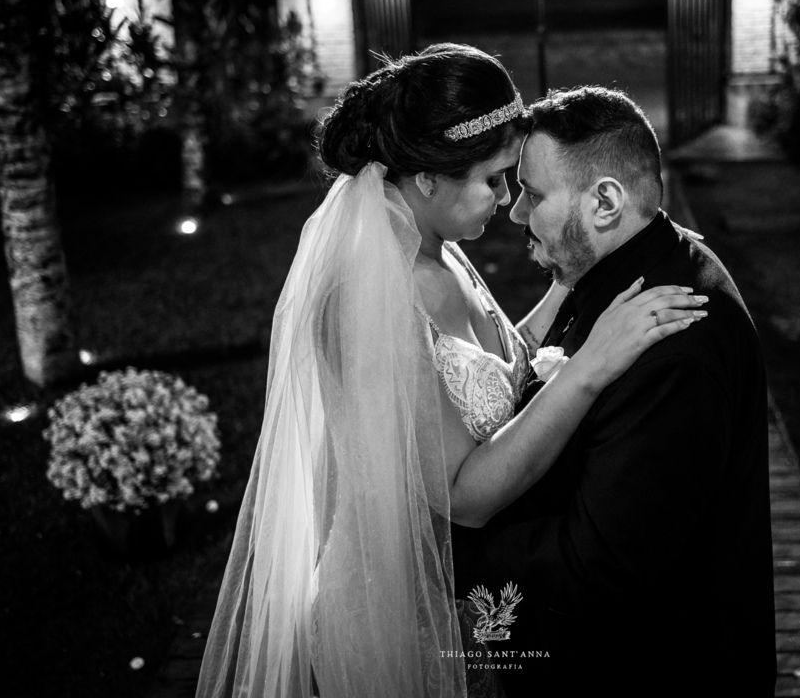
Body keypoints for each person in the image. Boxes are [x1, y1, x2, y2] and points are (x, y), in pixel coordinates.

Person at [194, 45, 708, 698]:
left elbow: (494, 366)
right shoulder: (366, 298)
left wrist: (581, 273)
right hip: (402, 613)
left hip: (472, 594)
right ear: (429, 179)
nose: (508, 200)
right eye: (494, 180)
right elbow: (462, 495)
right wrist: (589, 367)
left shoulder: (436, 249)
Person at [453, 86, 777, 696]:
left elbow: (596, 561)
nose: (516, 214)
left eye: (534, 195)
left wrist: (451, 548)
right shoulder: (632, 267)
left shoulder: (674, 347)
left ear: (605, 202)